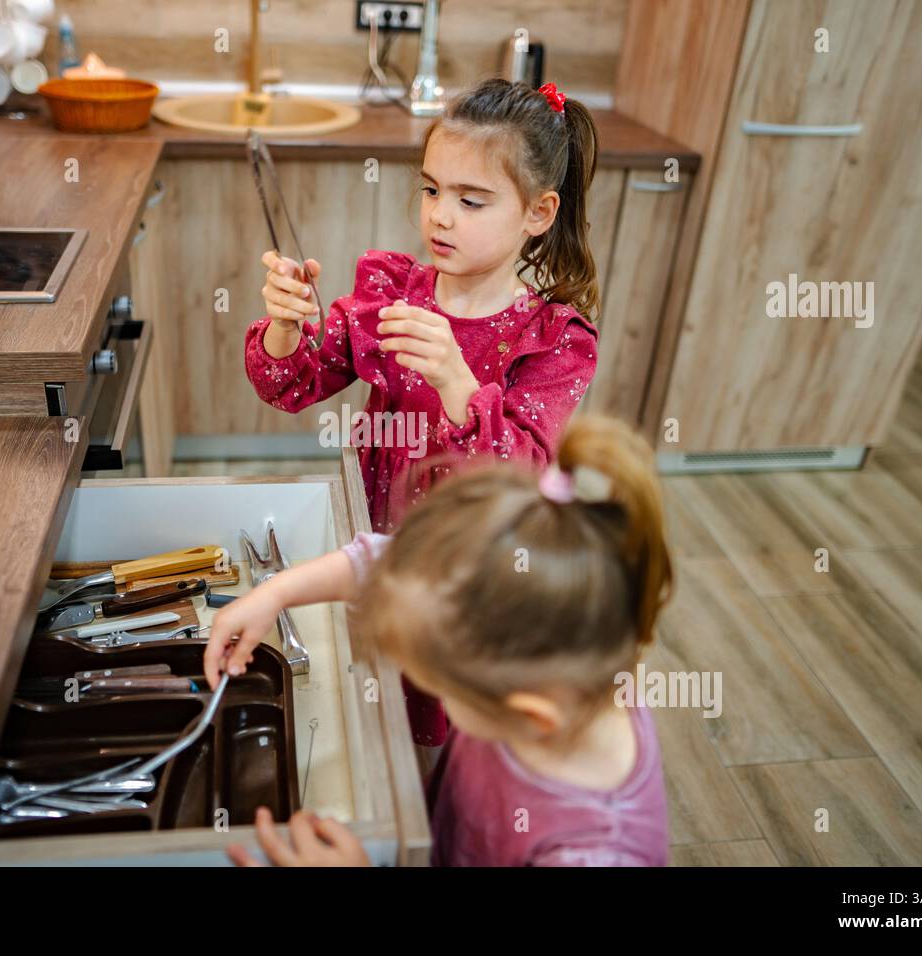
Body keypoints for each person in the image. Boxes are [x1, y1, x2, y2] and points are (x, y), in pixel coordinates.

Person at [245, 78, 604, 748]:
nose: (440, 215)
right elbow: (289, 385)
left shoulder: (554, 338)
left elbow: (524, 474)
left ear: (538, 212)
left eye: (472, 201)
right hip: (380, 547)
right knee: (380, 708)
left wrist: (458, 382)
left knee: (445, 729)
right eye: (432, 189)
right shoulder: (392, 294)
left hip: (475, 575)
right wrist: (286, 328)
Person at [204, 415, 674, 866]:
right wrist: (275, 592)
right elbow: (395, 568)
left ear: (531, 714)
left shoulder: (594, 853)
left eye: (445, 689)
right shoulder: (559, 669)